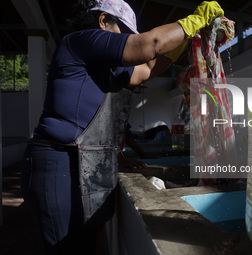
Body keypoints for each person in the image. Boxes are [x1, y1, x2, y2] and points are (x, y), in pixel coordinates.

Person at [20, 0, 224, 254]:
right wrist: (194, 20)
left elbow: (146, 69)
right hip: (58, 162)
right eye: (124, 33)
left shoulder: (104, 64)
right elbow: (150, 47)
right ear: (103, 20)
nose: (126, 41)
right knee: (66, 247)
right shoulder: (81, 41)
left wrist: (186, 39)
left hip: (80, 161)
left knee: (84, 245)